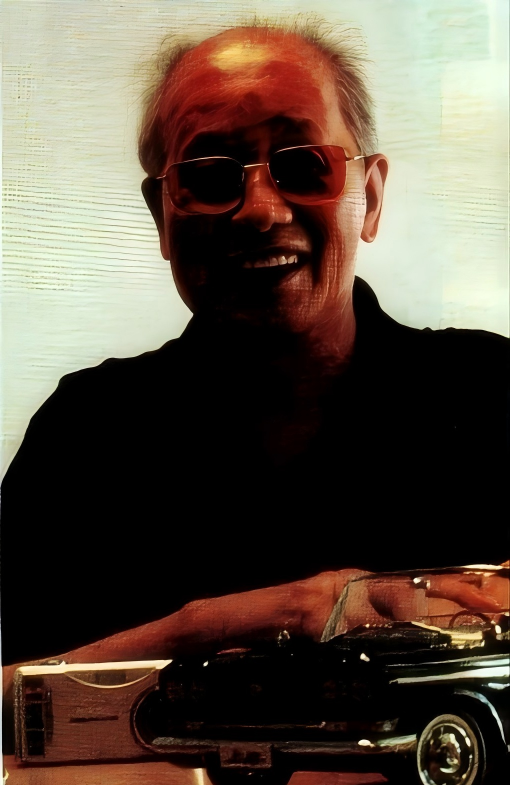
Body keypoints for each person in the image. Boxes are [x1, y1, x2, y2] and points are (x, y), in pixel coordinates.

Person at [2, 23, 508, 678]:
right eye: (209, 176)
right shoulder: (85, 432)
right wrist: (218, 626)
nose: (260, 211)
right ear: (162, 216)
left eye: (304, 165)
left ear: (370, 198)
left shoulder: (491, 395)